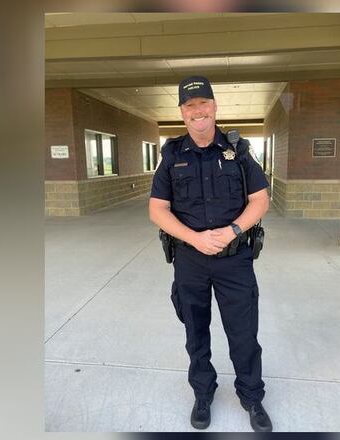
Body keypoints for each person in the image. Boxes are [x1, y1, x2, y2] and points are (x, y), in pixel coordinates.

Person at [148, 75, 273, 432]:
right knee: (195, 333)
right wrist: (194, 238)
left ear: (215, 107)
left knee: (244, 333)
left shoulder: (238, 150)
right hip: (190, 261)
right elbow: (157, 209)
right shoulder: (172, 155)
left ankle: (252, 398)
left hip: (235, 259)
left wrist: (233, 230)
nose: (197, 111)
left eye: (203, 104)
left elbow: (259, 200)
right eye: (190, 106)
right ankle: (203, 394)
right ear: (182, 113)